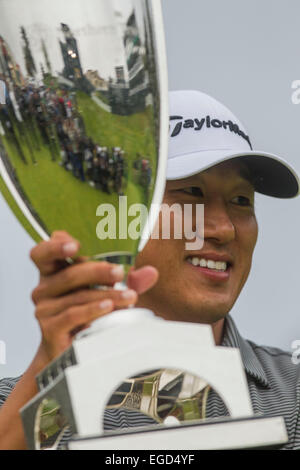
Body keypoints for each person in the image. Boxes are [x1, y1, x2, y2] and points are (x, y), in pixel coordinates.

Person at [0, 90, 299, 450]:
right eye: (191, 191)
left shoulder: (293, 393)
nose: (224, 229)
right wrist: (52, 369)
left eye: (241, 200)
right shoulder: (25, 405)